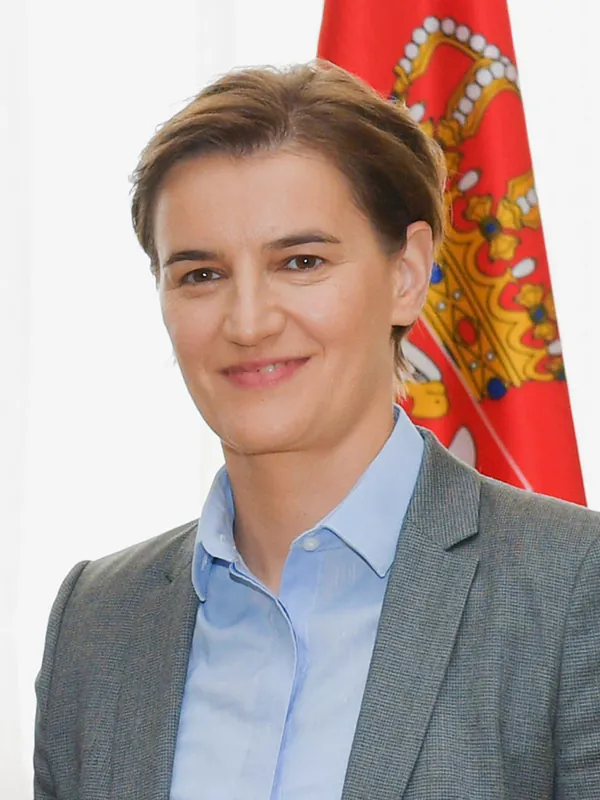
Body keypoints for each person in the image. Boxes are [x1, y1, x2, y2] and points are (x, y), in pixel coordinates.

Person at [34, 62, 600, 800]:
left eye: (301, 262)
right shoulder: (95, 621)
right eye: (200, 274)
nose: (248, 322)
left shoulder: (573, 586)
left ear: (407, 274)